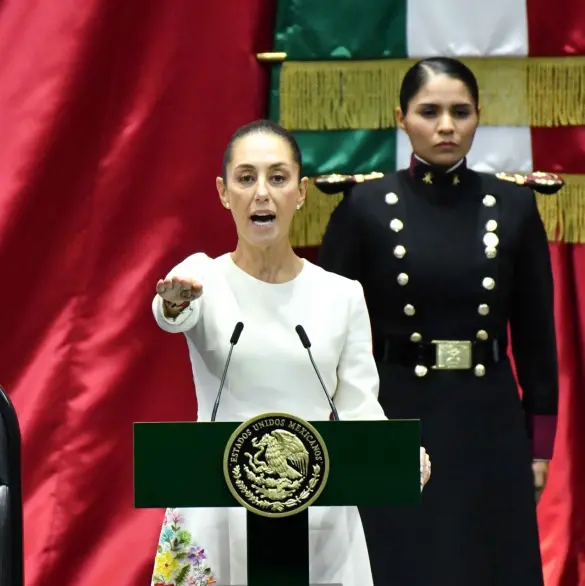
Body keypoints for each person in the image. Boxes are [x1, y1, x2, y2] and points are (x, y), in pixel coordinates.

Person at [149, 119, 431, 586]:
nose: (262, 193)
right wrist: (174, 300)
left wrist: (396, 455)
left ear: (300, 193)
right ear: (223, 192)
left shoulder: (341, 295)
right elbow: (171, 309)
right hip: (216, 512)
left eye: (277, 178)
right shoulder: (203, 278)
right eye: (246, 178)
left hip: (318, 517)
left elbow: (359, 407)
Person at [318, 57, 558, 586]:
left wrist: (539, 448)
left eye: (460, 111)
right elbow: (330, 337)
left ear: (479, 116)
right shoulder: (365, 206)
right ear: (401, 117)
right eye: (429, 111)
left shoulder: (514, 206)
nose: (446, 126)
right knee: (403, 564)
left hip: (488, 417)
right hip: (396, 416)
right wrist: (339, 437)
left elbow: (538, 341)